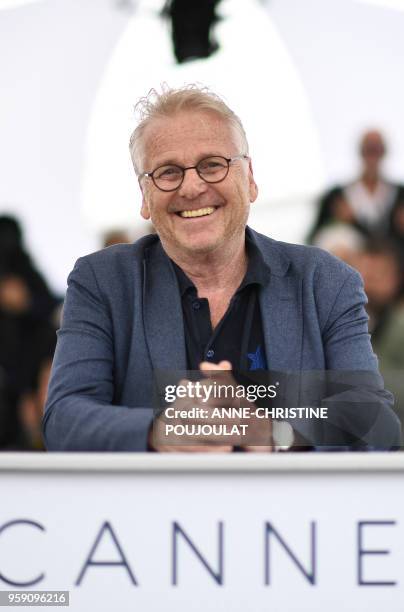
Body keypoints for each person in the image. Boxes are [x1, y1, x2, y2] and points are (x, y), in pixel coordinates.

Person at [43, 85, 401, 452]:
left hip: (289, 508)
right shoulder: (102, 282)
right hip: (151, 507)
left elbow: (371, 419)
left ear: (250, 179)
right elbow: (64, 420)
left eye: (213, 164)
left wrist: (274, 433)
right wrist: (159, 432)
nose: (193, 186)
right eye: (168, 172)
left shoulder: (325, 281)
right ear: (144, 198)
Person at [308, 130, 404, 244]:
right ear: (361, 152)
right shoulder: (336, 196)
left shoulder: (400, 195)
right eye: (368, 150)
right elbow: (315, 236)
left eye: (376, 150)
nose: (372, 157)